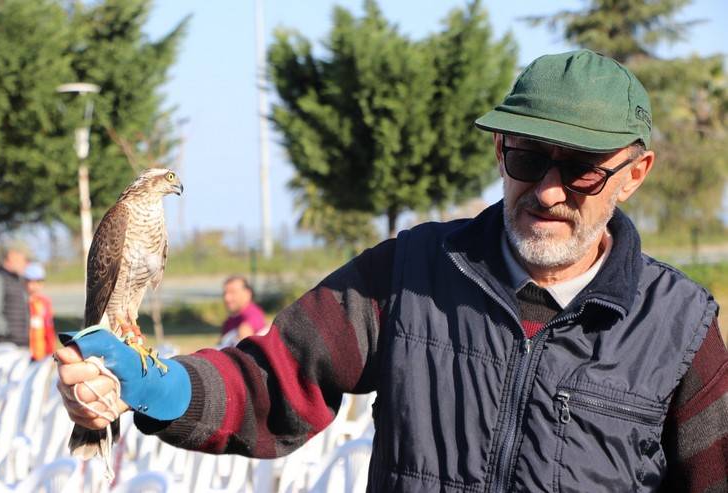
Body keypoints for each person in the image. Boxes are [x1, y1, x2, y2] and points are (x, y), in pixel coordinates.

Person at [55, 50, 726, 492]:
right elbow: (269, 381)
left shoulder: (684, 330)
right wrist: (155, 384)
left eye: (580, 167)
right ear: (499, 149)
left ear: (633, 175)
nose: (548, 189)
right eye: (527, 156)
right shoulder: (408, 272)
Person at [0, 241, 30, 347]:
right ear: (11, 257)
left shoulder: (17, 279)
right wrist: (6, 333)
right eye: (23, 260)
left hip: (19, 343)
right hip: (3, 344)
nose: (26, 264)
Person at [220, 275, 267, 344]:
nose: (227, 298)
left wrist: (244, 330)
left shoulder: (253, 313)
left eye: (233, 292)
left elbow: (247, 330)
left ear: (247, 293)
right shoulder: (229, 320)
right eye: (225, 293)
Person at [25, 262, 56, 361]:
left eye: (39, 282)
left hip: (44, 352)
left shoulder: (45, 302)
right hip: (28, 353)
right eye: (31, 282)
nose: (35, 286)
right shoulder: (23, 303)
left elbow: (49, 329)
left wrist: (51, 350)